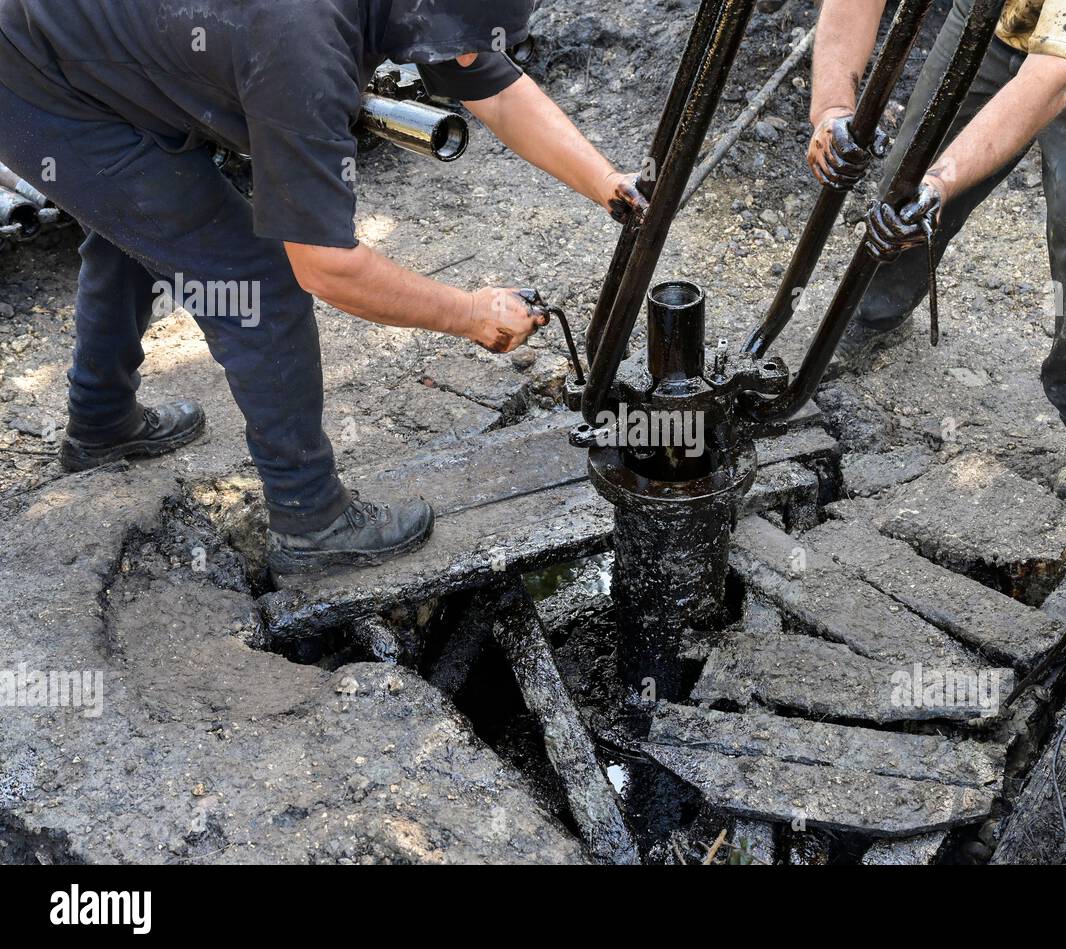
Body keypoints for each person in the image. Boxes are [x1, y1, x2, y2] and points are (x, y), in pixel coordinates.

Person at [0, 0, 648, 572]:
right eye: (466, 36)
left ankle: (101, 422)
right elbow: (327, 266)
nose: (473, 52)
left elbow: (495, 87)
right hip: (36, 77)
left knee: (139, 230)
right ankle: (311, 520)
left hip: (95, 46)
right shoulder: (302, 43)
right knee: (253, 281)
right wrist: (470, 314)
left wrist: (611, 187)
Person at [806, 0, 1066, 512]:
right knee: (905, 187)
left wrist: (942, 182)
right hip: (991, 16)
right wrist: (832, 108)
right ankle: (873, 312)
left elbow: (1049, 77)